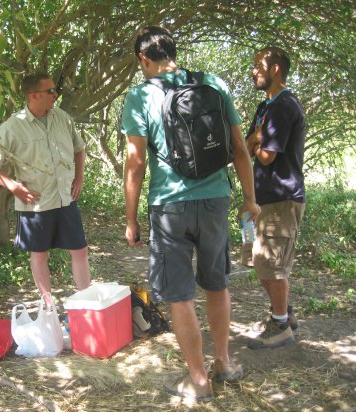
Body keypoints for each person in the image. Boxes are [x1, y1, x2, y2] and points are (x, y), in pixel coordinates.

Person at [122, 26, 260, 401]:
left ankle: (199, 381)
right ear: (174, 52)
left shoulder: (140, 95)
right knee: (218, 283)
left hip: (169, 206)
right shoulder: (213, 84)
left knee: (180, 295)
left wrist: (131, 218)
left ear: (143, 60)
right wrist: (250, 199)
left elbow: (135, 163)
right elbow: (238, 149)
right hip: (216, 198)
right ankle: (225, 364)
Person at [0, 72, 91, 302]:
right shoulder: (13, 126)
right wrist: (14, 187)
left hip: (65, 198)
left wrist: (79, 178)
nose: (55, 95)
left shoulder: (62, 118)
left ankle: (87, 303)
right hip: (36, 203)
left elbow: (79, 148)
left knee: (80, 251)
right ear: (33, 95)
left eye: (54, 90)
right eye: (50, 91)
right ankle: (48, 307)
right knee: (39, 255)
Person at [245, 47, 306, 350]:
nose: (254, 70)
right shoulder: (265, 107)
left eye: (259, 65)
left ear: (276, 69)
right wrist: (254, 140)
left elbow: (266, 156)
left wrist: (256, 140)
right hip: (265, 199)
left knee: (272, 264)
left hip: (281, 197)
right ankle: (284, 315)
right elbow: (242, 150)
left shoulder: (284, 106)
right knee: (264, 263)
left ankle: (281, 326)